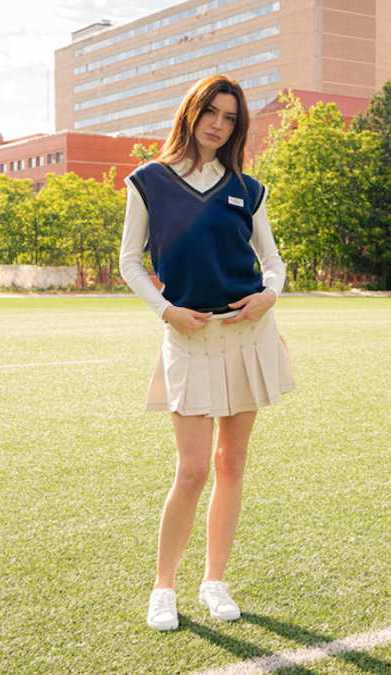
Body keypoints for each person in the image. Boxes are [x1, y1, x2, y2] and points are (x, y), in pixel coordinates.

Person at [119, 74, 294, 632]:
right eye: (211, 113)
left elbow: (273, 261)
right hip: (187, 337)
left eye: (230, 118)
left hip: (246, 334)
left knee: (230, 464)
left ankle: (214, 581)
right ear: (192, 113)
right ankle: (163, 588)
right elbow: (129, 261)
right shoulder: (149, 180)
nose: (219, 125)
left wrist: (270, 295)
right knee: (192, 469)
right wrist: (164, 310)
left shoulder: (248, 187)